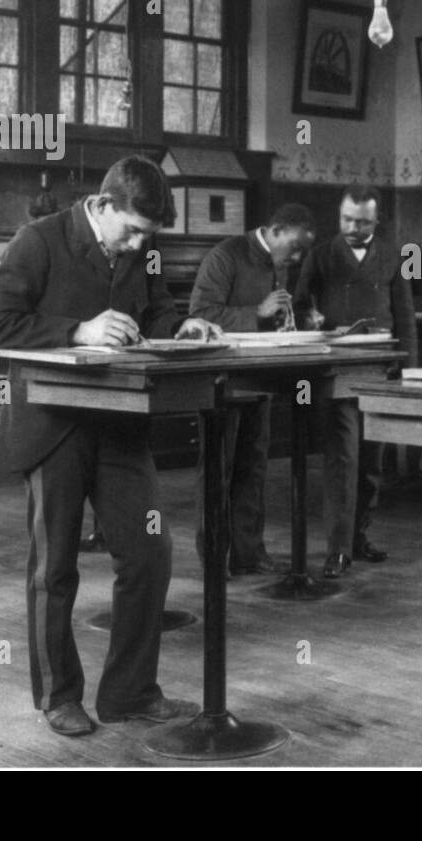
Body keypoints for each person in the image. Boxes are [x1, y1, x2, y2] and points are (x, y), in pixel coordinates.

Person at [0, 155, 222, 737]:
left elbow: (156, 310)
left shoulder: (143, 249)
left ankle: (130, 692)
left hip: (120, 425)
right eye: (132, 230)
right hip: (54, 424)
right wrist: (77, 330)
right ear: (104, 205)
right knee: (54, 568)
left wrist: (180, 327)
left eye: (148, 236)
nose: (139, 245)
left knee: (149, 553)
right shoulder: (38, 241)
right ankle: (58, 695)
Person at [294, 186, 418, 578]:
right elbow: (298, 305)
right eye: (347, 219)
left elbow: (406, 315)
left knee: (371, 461)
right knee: (342, 460)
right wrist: (310, 319)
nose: (353, 227)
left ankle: (359, 537)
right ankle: (338, 549)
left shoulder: (395, 256)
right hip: (338, 372)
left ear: (376, 220)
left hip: (379, 370)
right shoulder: (320, 256)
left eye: (362, 221)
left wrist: (407, 369)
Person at [188, 202, 316, 575]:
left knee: (253, 467)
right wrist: (256, 313)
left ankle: (249, 553)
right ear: (275, 230)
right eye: (293, 247)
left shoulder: (279, 264)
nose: (295, 258)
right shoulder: (225, 256)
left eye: (301, 252)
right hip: (222, 381)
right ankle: (215, 557)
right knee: (218, 470)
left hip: (260, 377)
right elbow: (199, 316)